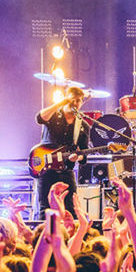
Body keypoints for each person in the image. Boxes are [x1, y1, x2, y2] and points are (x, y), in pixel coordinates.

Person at [35, 86, 89, 215]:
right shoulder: (53, 115)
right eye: (72, 100)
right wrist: (61, 103)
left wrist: (78, 157)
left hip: (66, 171)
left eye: (78, 101)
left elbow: (84, 154)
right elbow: (39, 118)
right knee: (45, 209)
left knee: (71, 209)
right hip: (47, 169)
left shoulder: (83, 125)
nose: (75, 103)